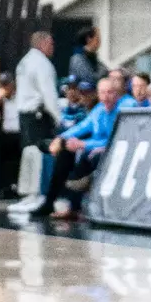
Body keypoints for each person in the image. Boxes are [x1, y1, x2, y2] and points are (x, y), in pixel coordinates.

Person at [33, 76, 126, 219]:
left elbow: (117, 140)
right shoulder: (99, 110)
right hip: (92, 149)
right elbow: (81, 127)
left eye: (110, 93)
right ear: (98, 94)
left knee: (85, 153)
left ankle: (80, 193)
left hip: (113, 152)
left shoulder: (124, 108)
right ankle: (52, 202)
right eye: (103, 93)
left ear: (117, 94)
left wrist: (84, 144)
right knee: (65, 151)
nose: (106, 97)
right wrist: (61, 138)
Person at [8, 31, 61, 215]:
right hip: (38, 115)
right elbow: (49, 94)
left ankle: (30, 194)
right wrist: (58, 117)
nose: (53, 48)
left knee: (29, 152)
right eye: (51, 44)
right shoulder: (43, 64)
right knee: (37, 154)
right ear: (42, 43)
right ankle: (36, 194)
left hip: (25, 115)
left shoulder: (24, 62)